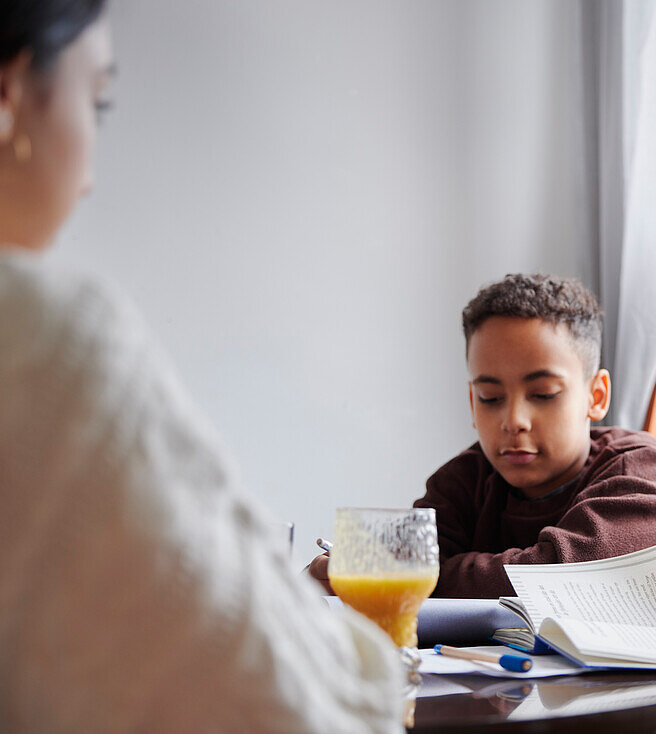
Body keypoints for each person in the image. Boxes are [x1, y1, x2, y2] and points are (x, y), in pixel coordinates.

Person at [0, 3, 401, 731]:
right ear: (10, 97)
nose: (88, 176)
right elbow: (288, 703)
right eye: (98, 102)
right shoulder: (54, 345)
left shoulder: (626, 467)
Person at [310, 273, 656, 598]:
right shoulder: (461, 482)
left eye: (543, 394)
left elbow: (559, 582)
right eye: (491, 397)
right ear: (471, 401)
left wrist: (416, 578)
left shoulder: (643, 476)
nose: (513, 420)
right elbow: (397, 569)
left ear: (596, 397)